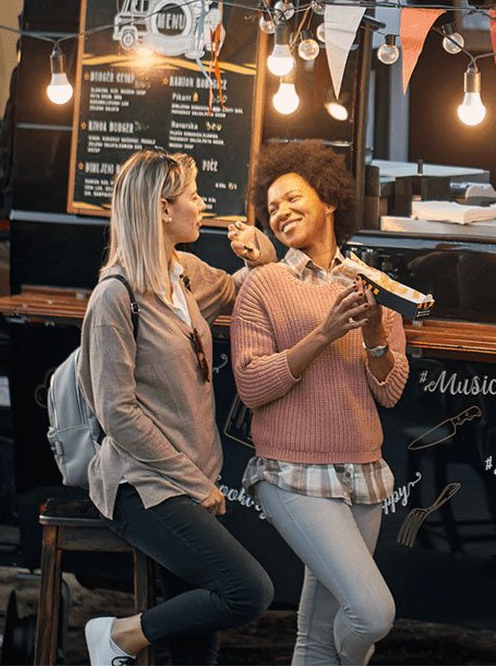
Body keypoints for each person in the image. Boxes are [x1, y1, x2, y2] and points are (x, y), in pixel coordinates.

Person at [78, 149, 278, 666]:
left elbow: (240, 294)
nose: (202, 204)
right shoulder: (114, 298)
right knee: (246, 591)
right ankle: (118, 636)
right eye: (192, 195)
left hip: (191, 479)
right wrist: (193, 483)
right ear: (163, 210)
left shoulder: (182, 273)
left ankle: (125, 639)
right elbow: (117, 413)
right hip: (142, 486)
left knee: (197, 647)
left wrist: (263, 259)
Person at [231, 141, 409, 666]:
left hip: (363, 473)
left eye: (291, 198)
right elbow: (252, 384)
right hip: (292, 474)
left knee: (317, 635)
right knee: (372, 615)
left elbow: (389, 390)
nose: (280, 213)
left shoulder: (371, 285)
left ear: (328, 199)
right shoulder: (262, 286)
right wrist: (324, 334)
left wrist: (377, 334)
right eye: (272, 208)